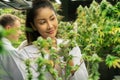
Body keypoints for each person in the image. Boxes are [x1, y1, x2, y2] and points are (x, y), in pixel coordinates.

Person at [19, 0, 88, 80]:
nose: (50, 26)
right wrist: (50, 65)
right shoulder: (25, 54)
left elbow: (83, 78)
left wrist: (69, 59)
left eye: (52, 19)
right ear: (33, 26)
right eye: (42, 22)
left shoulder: (71, 46)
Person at [0, 14, 23, 80]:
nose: (20, 32)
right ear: (8, 28)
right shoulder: (9, 50)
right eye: (18, 29)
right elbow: (21, 77)